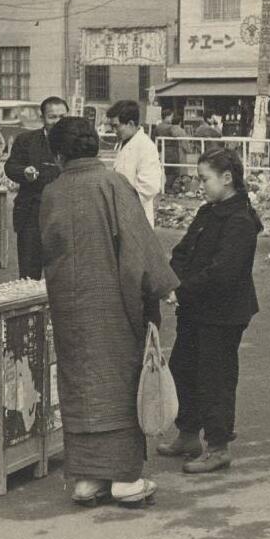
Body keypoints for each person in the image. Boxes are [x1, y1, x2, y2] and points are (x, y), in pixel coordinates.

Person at [40, 116, 179, 508]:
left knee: (79, 380)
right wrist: (160, 288)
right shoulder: (113, 184)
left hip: (69, 304)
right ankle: (124, 479)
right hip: (114, 302)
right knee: (117, 381)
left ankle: (86, 478)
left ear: (59, 153)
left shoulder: (52, 192)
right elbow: (138, 245)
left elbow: (46, 249)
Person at [160, 148, 262, 474]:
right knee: (184, 368)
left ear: (227, 178)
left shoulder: (240, 220)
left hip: (223, 312)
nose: (199, 184)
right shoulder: (209, 211)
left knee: (215, 378)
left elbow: (223, 272)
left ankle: (218, 446)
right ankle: (188, 433)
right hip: (196, 307)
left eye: (205, 178)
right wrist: (174, 280)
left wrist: (182, 289)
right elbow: (182, 250)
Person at [4, 96, 67, 280]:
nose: (58, 122)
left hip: (63, 213)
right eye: (52, 117)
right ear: (42, 118)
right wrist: (24, 171)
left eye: (62, 117)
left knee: (61, 273)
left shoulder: (75, 143)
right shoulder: (26, 140)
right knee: (29, 274)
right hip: (31, 212)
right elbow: (10, 166)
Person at [109, 100, 163, 227]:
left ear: (131, 123)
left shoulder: (145, 146)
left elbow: (149, 186)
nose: (113, 130)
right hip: (123, 214)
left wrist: (122, 205)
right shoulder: (126, 142)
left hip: (136, 215)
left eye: (116, 126)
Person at [154, 109, 188, 193]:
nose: (172, 119)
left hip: (163, 150)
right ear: (167, 117)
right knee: (174, 170)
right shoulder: (170, 127)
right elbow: (177, 134)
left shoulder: (158, 127)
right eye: (171, 117)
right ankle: (168, 187)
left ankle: (167, 187)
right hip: (172, 150)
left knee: (167, 169)